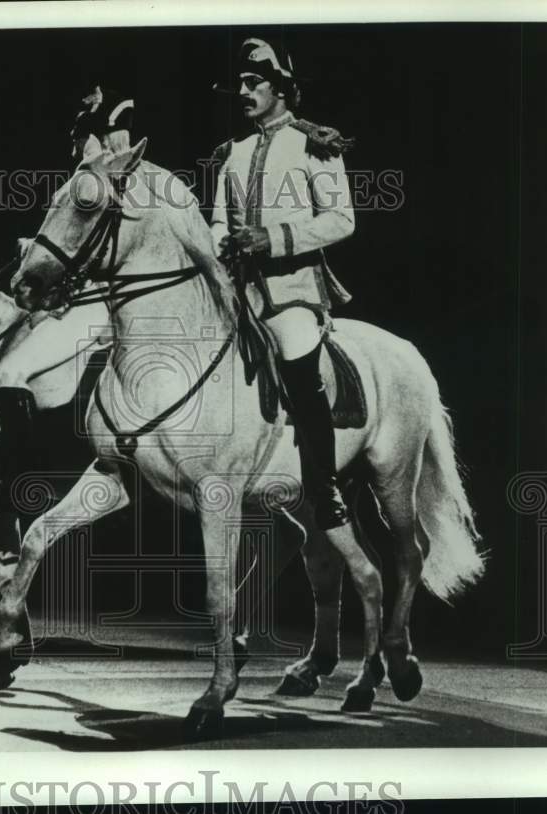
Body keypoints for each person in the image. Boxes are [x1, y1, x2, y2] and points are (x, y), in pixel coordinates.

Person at [210, 37, 356, 530]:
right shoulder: (233, 153)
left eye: (254, 83)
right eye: (240, 84)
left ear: (282, 88)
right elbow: (216, 221)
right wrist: (221, 244)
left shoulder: (314, 143)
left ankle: (324, 483)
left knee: (298, 361)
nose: (243, 91)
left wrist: (270, 239)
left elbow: (340, 220)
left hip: (293, 293)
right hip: (239, 294)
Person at [0, 85, 135, 516]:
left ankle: (20, 475)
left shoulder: (103, 183)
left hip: (99, 303)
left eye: (82, 138)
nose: (78, 147)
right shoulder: (89, 183)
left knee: (10, 371)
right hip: (85, 300)